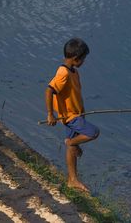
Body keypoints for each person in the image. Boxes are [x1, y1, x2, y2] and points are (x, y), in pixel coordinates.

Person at [45, 37, 100, 192]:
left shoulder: (73, 72)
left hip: (77, 114)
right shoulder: (63, 73)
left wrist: (82, 111)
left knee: (73, 145)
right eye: (84, 59)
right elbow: (49, 90)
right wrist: (50, 114)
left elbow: (75, 94)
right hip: (70, 117)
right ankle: (70, 143)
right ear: (76, 59)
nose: (84, 62)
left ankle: (72, 180)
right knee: (93, 132)